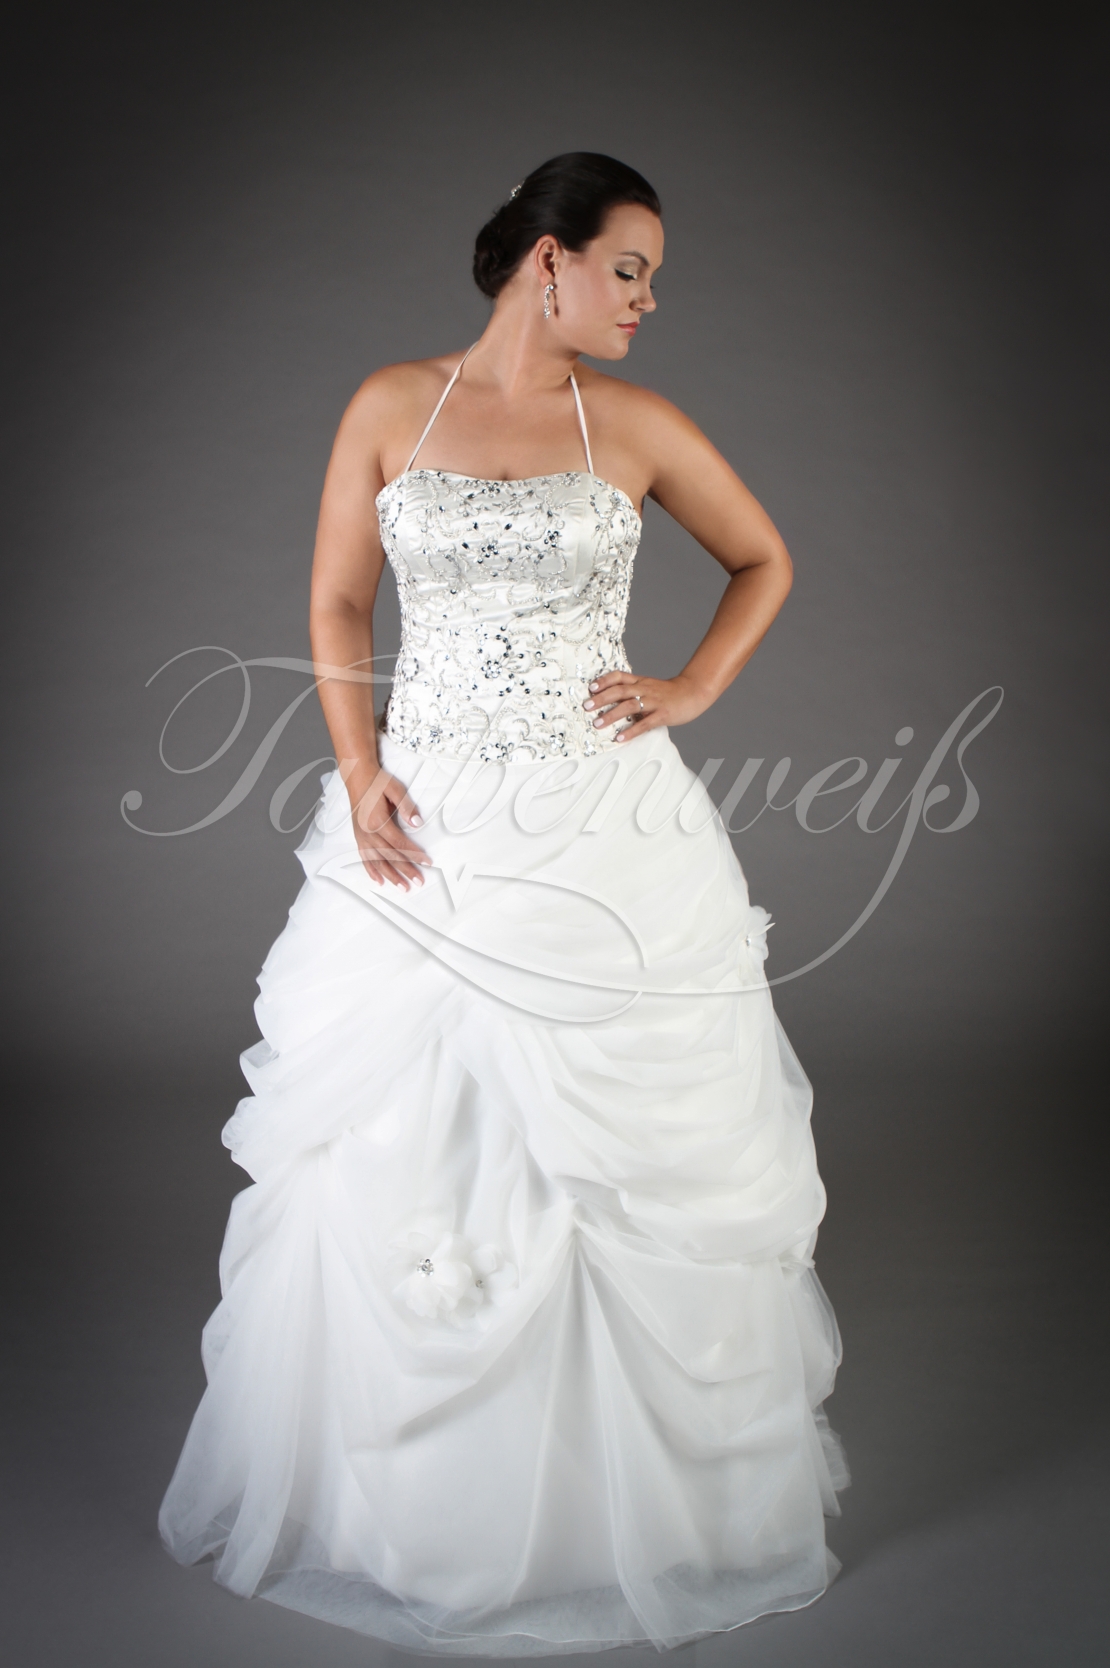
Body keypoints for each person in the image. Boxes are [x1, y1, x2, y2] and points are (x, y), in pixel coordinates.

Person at [158, 151, 848, 1655]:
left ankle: (619, 1513)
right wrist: (358, 773)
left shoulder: (640, 425)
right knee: (409, 1133)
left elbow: (763, 558)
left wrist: (690, 688)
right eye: (628, 269)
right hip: (429, 822)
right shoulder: (389, 404)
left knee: (610, 1160)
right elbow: (340, 599)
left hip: (601, 828)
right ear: (548, 259)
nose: (646, 300)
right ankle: (423, 1507)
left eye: (652, 278)